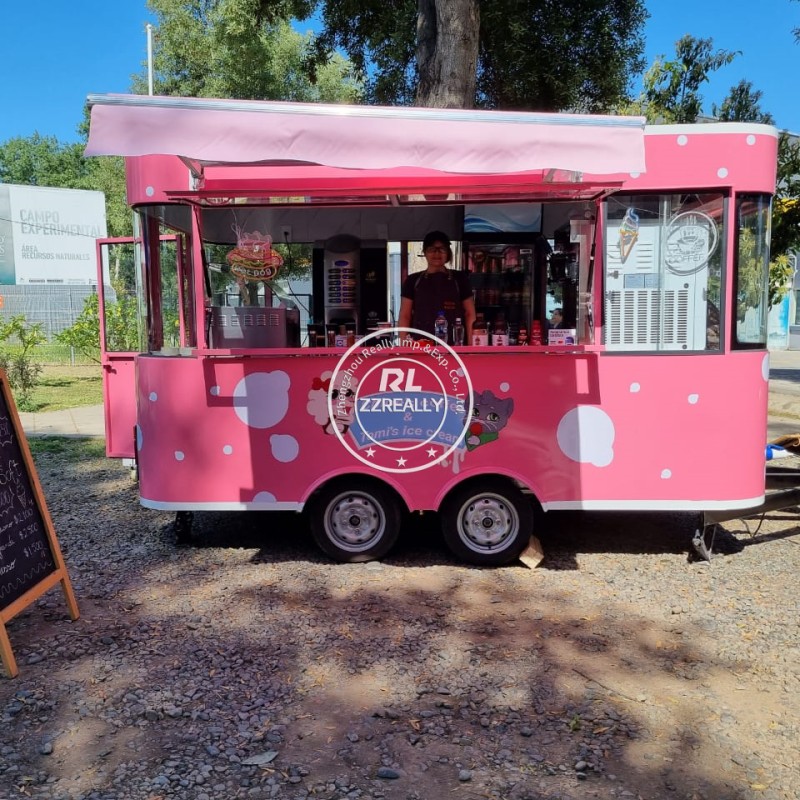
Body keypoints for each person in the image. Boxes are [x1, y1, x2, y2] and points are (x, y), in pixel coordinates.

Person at [398, 231, 476, 343]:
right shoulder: (412, 280)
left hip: (455, 346)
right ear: (424, 252)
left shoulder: (460, 279)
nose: (437, 253)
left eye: (442, 249)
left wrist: (471, 347)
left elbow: (470, 314)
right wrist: (403, 346)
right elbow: (405, 316)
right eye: (432, 249)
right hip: (421, 346)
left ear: (448, 253)